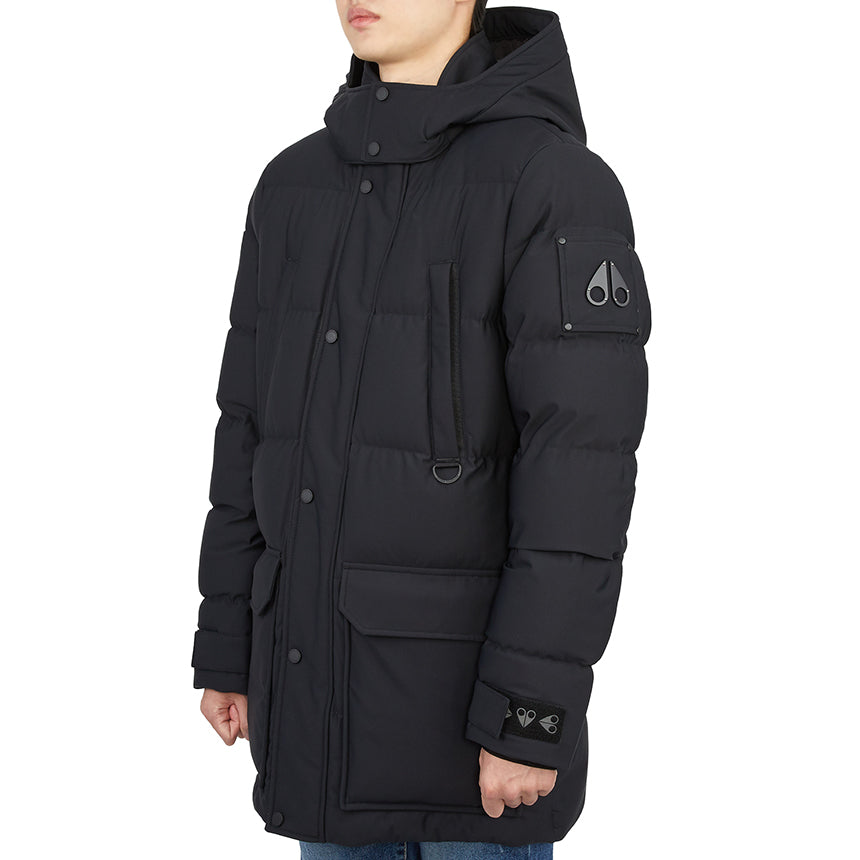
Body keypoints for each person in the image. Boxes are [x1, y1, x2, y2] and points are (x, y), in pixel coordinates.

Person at [191, 2, 651, 858]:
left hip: (478, 755)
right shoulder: (291, 187)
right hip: (320, 721)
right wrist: (228, 644)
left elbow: (580, 478)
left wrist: (530, 712)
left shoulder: (553, 183)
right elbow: (247, 432)